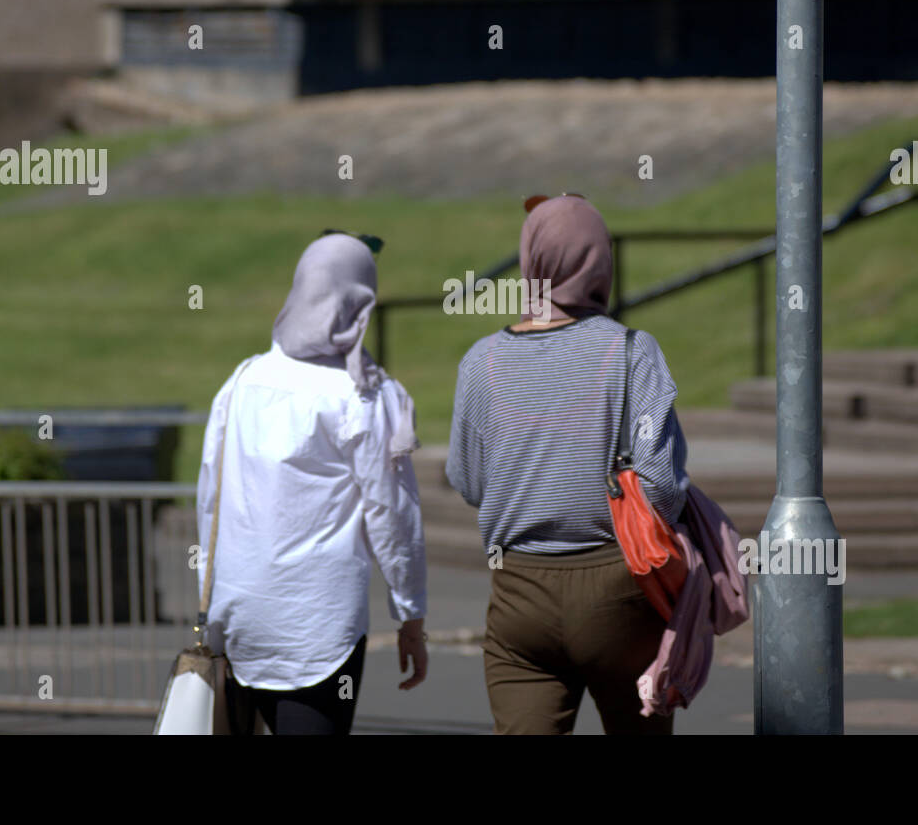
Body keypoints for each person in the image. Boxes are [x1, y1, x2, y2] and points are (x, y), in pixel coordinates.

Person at [446, 194, 690, 735]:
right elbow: (663, 489)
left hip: (519, 593)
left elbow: (466, 480)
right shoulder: (632, 351)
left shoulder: (481, 361)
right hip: (621, 589)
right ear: (601, 261)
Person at [196, 232, 428, 735]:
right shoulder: (364, 393)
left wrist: (208, 607)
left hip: (239, 618)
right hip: (317, 629)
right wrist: (410, 613)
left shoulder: (242, 380)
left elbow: (211, 501)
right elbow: (391, 515)